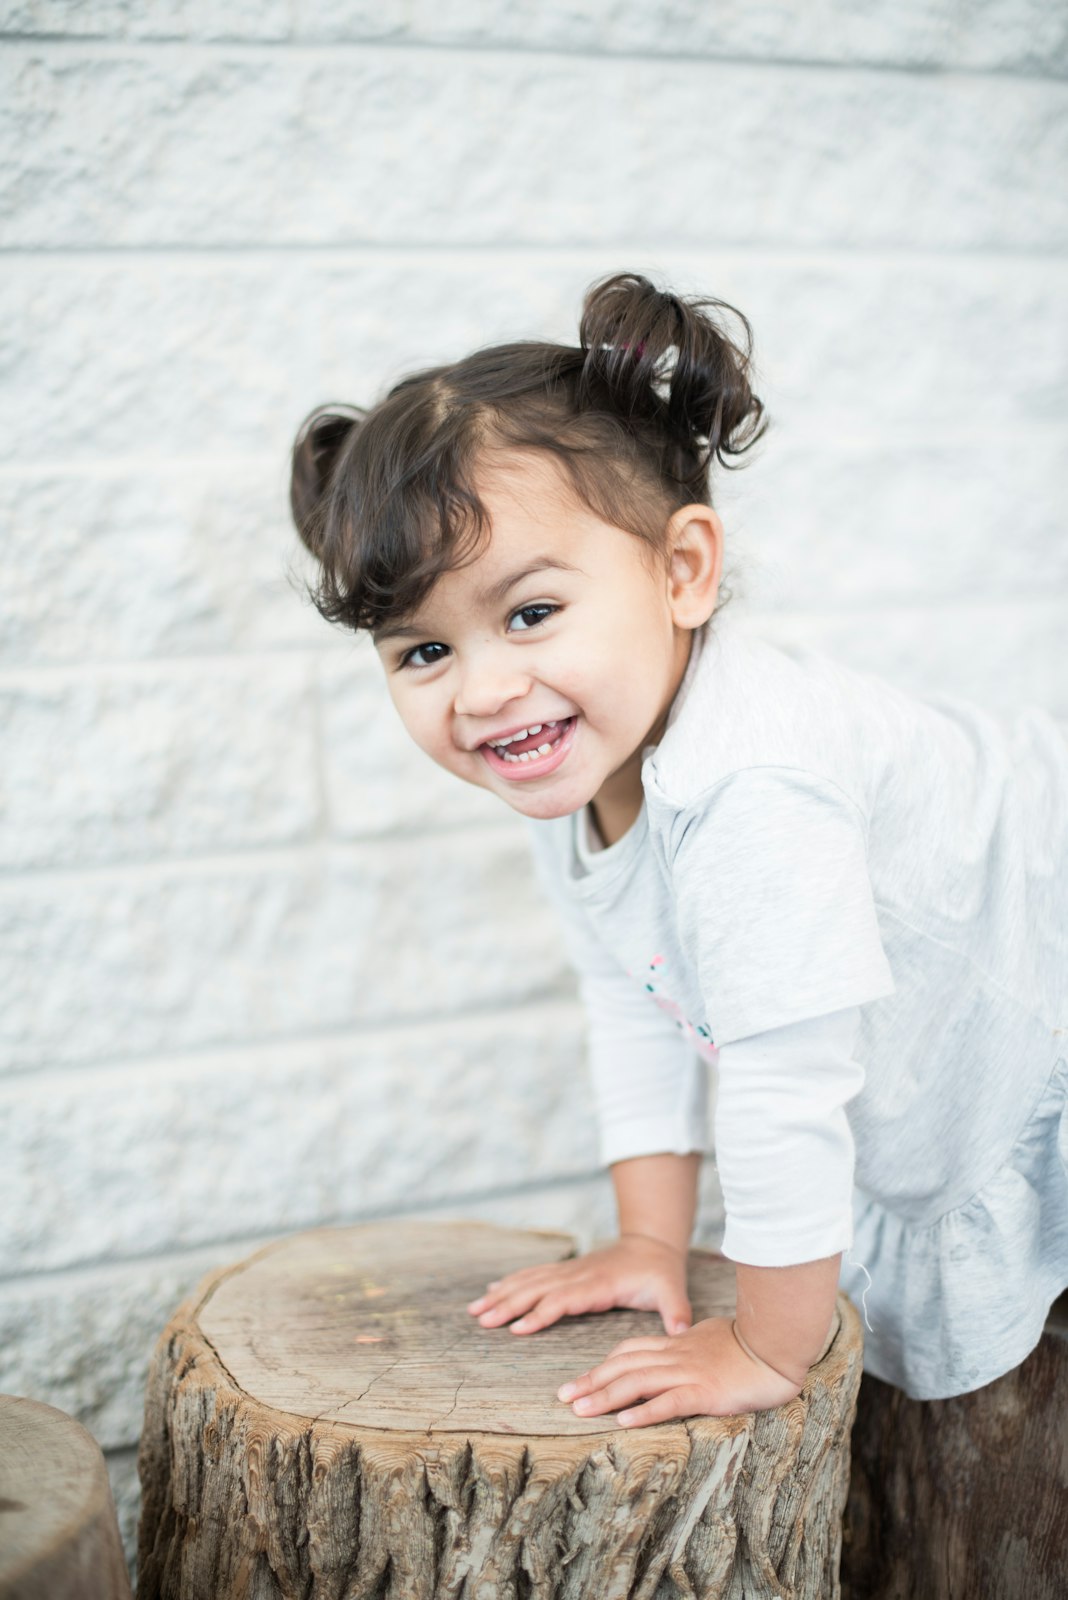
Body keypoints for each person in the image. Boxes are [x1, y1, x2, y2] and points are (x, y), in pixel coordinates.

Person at [289, 271, 1068, 1428]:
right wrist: (649, 1241)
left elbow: (785, 1076)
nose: (486, 690)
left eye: (531, 613)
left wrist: (768, 1344)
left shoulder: (752, 783)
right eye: (421, 651)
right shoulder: (584, 767)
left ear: (683, 570)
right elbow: (635, 995)